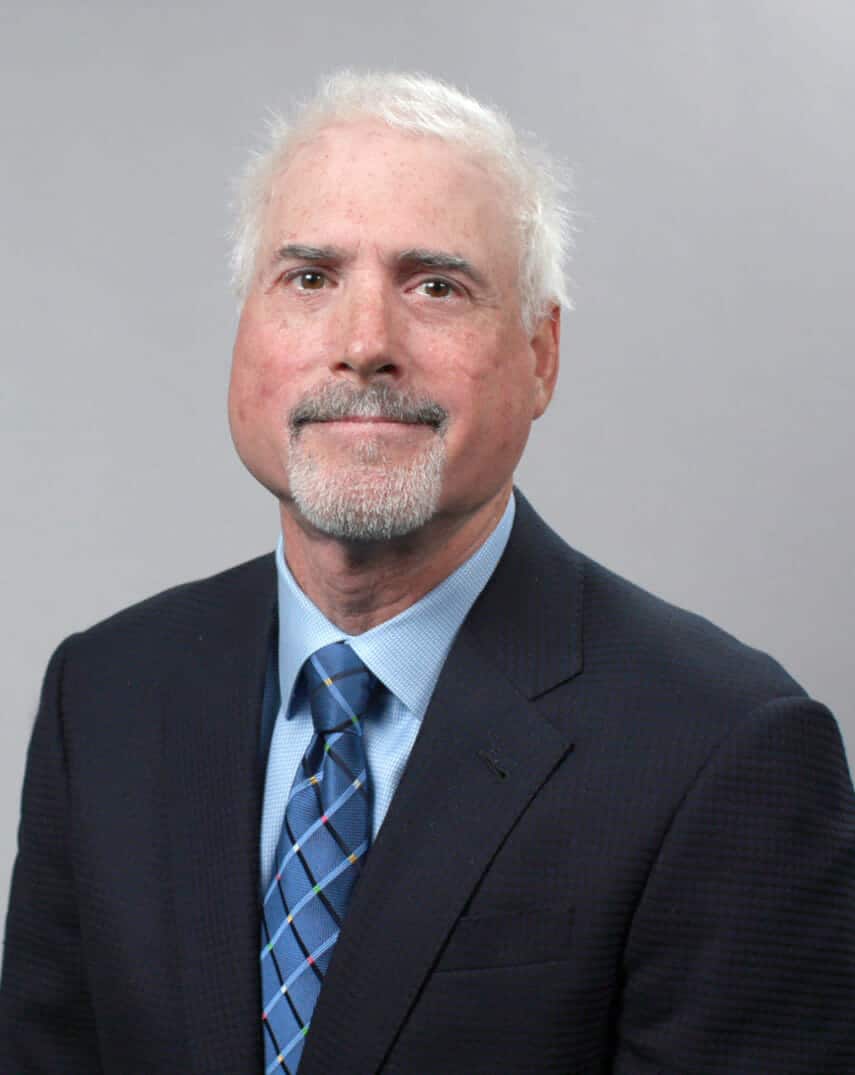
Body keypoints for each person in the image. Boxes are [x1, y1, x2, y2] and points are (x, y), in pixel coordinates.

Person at [2, 70, 853, 1075]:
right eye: (310, 277)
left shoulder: (727, 752)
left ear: (542, 354)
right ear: (243, 334)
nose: (365, 346)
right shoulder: (102, 694)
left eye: (436, 284)